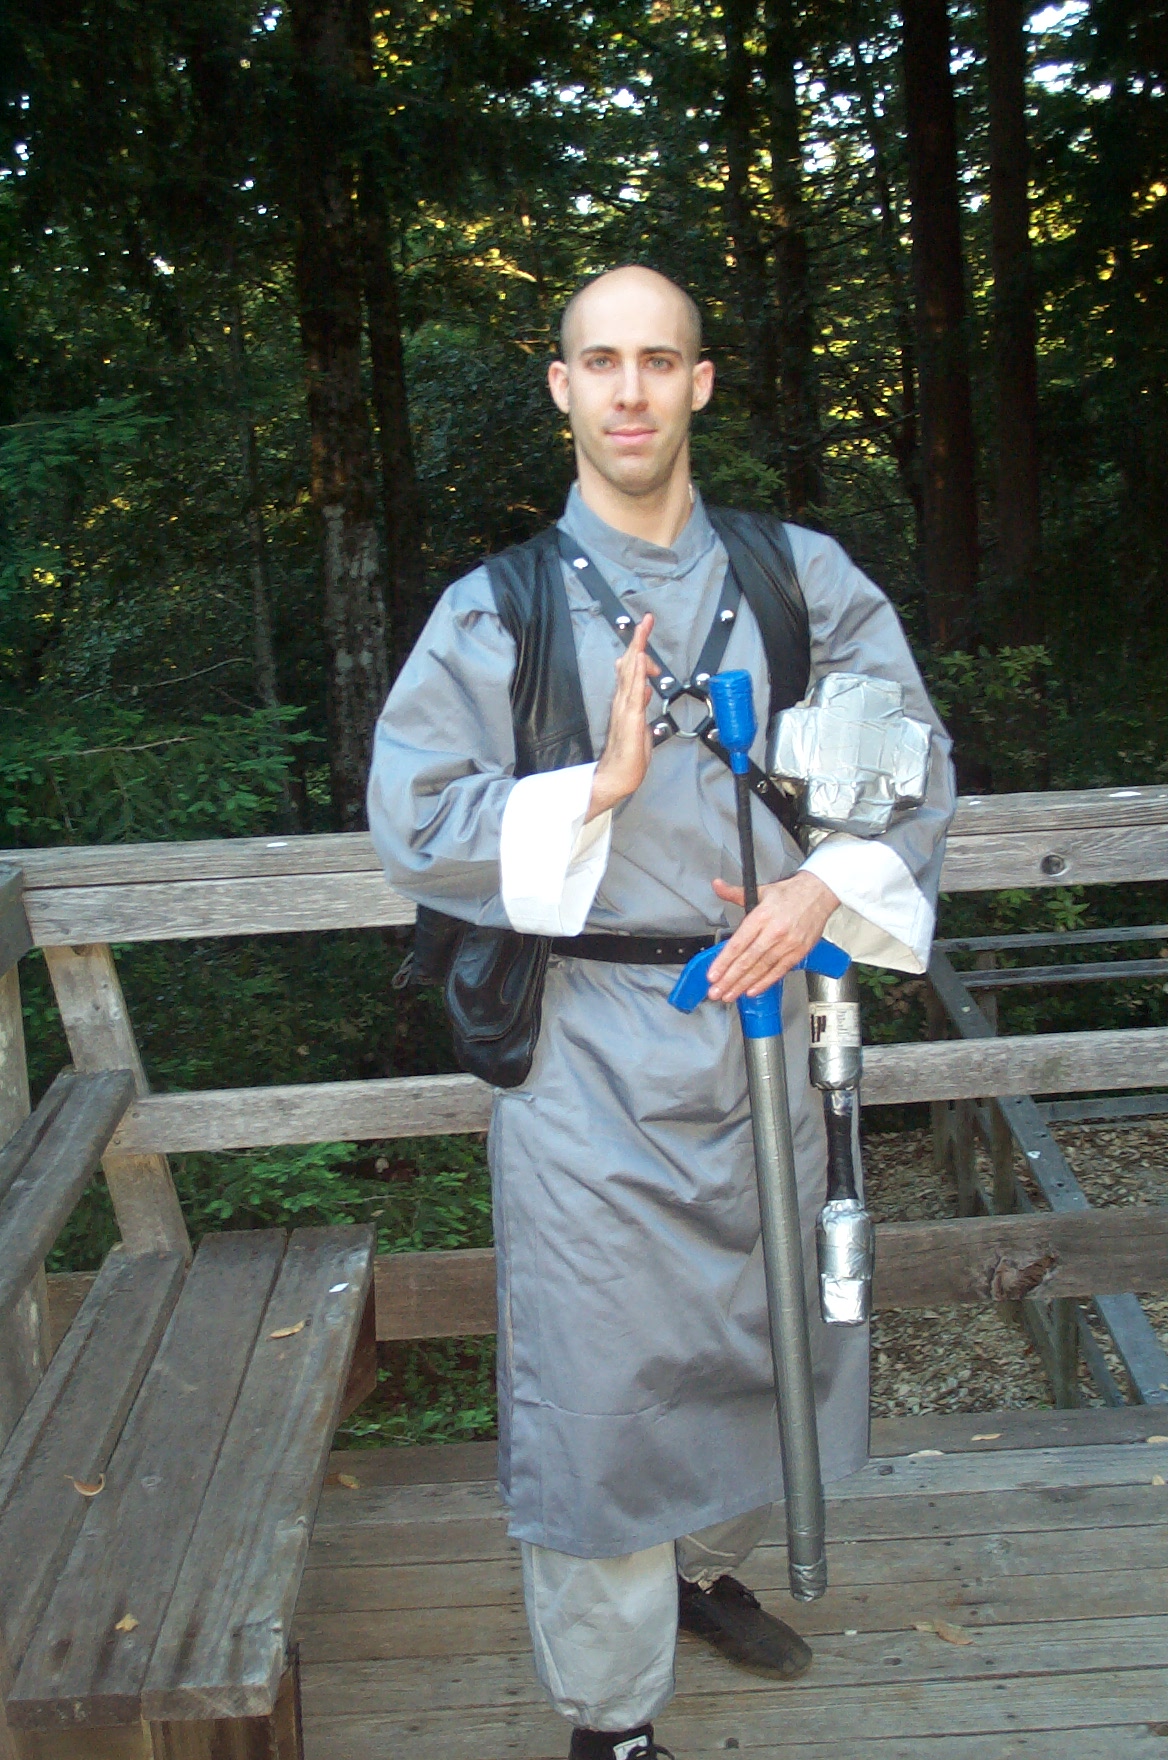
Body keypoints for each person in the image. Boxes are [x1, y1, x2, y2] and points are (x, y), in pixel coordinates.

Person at [367, 265, 956, 1760]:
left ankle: (699, 1574)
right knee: (598, 1380)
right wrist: (599, 787)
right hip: (586, 1055)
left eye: (658, 360)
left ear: (698, 383)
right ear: (561, 387)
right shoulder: (496, 610)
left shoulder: (799, 578)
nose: (629, 390)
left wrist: (820, 892)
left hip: (775, 1036)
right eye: (600, 361)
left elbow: (910, 760)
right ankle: (612, 1718)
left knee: (767, 1331)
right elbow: (414, 818)